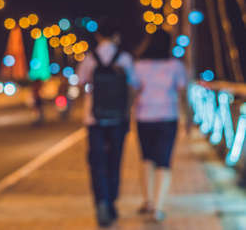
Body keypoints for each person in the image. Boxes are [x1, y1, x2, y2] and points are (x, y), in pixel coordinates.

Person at [77, 22, 138, 227]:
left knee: (97, 164)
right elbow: (134, 85)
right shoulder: (125, 58)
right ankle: (112, 201)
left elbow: (80, 82)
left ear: (98, 35)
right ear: (116, 36)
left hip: (94, 118)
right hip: (119, 119)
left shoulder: (89, 58)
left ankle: (101, 202)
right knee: (115, 161)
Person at [134, 31, 188, 222]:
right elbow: (182, 89)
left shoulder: (139, 66)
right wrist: (187, 118)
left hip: (144, 116)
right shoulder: (175, 66)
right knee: (164, 161)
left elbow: (134, 88)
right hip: (167, 117)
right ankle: (158, 207)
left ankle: (147, 201)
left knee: (147, 158)